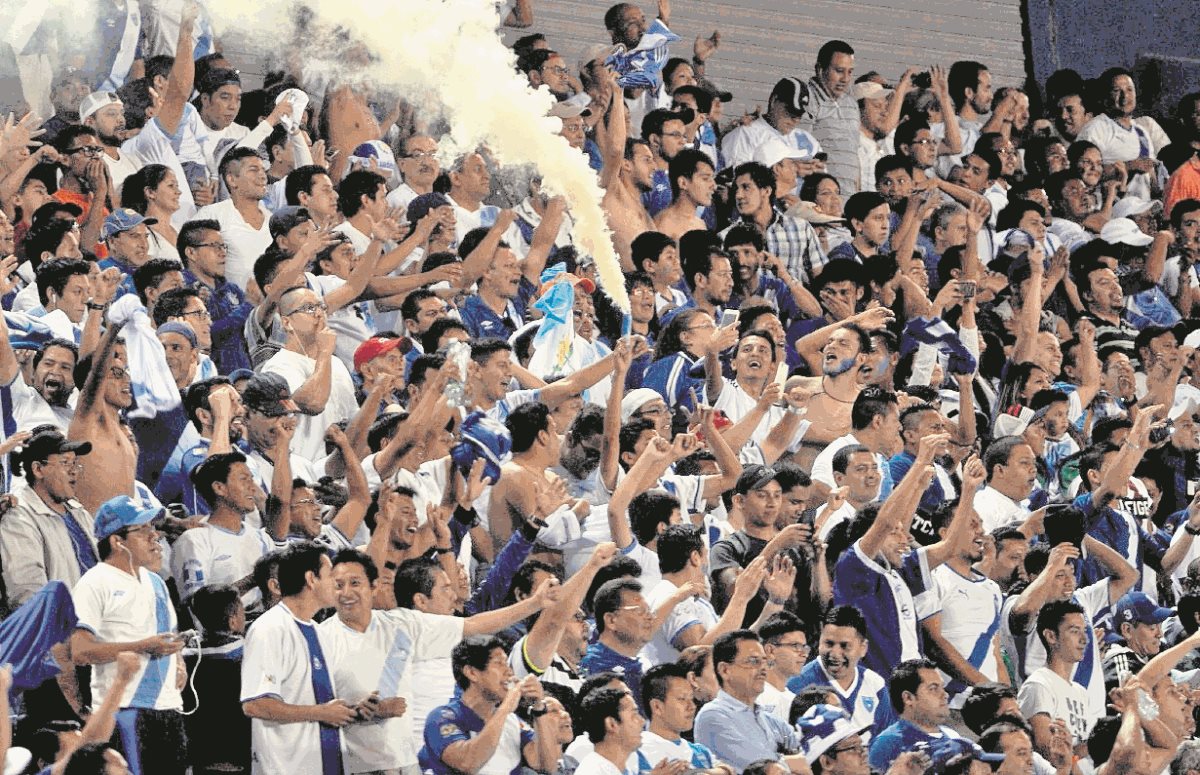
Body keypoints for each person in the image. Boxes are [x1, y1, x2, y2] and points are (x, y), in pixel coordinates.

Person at [70, 496, 188, 775]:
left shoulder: (156, 581)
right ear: (117, 541)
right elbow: (80, 650)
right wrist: (143, 647)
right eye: (143, 529)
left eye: (153, 527)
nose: (155, 536)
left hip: (170, 707)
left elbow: (166, 634)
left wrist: (179, 661)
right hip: (125, 709)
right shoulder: (95, 582)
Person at [241, 541, 355, 775]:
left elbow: (321, 701)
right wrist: (321, 713)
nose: (337, 583)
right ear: (311, 579)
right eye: (330, 575)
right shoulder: (269, 629)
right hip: (286, 767)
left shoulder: (318, 631)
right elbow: (255, 704)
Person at [418, 635, 562, 775]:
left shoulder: (512, 722)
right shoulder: (441, 718)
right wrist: (506, 707)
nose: (509, 672)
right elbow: (467, 764)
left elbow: (547, 767)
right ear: (472, 673)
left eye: (507, 664)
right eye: (499, 663)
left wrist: (539, 709)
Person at [0, 430, 96, 606]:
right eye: (65, 463)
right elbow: (28, 594)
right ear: (38, 469)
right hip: (62, 628)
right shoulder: (18, 517)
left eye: (75, 463)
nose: (74, 471)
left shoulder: (79, 512)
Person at [692, 630, 805, 772]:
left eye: (764, 661)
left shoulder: (771, 721)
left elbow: (809, 755)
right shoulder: (712, 716)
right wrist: (793, 761)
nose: (763, 668)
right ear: (725, 670)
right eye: (753, 661)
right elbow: (763, 768)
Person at [787, 605, 890, 741]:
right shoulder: (796, 685)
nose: (835, 654)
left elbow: (883, 745)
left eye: (844, 646)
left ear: (863, 648)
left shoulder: (875, 685)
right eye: (829, 644)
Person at [867, 659, 958, 773]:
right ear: (908, 698)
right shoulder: (887, 743)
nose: (945, 694)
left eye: (942, 687)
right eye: (933, 688)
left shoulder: (953, 736)